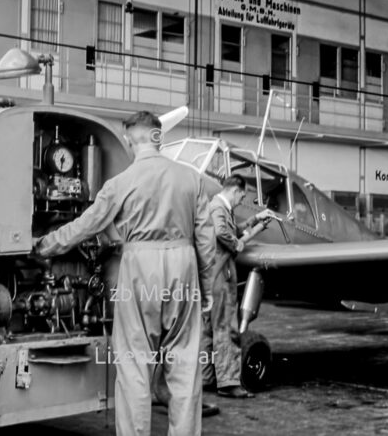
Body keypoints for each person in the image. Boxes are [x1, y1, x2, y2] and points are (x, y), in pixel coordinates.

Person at [36, 111, 215, 436]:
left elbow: (84, 226)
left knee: (134, 364)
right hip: (183, 264)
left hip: (139, 267)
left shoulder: (120, 183)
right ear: (158, 137)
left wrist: (45, 245)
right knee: (186, 368)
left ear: (132, 141)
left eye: (130, 142)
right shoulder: (192, 179)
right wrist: (206, 286)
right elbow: (206, 239)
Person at [202, 174, 273, 398]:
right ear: (235, 190)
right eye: (241, 197)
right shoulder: (218, 208)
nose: (240, 201)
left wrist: (254, 222)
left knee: (208, 332)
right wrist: (239, 243)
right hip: (220, 278)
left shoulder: (220, 207)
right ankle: (228, 383)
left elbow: (232, 228)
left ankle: (206, 378)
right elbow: (223, 233)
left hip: (212, 277)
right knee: (226, 330)